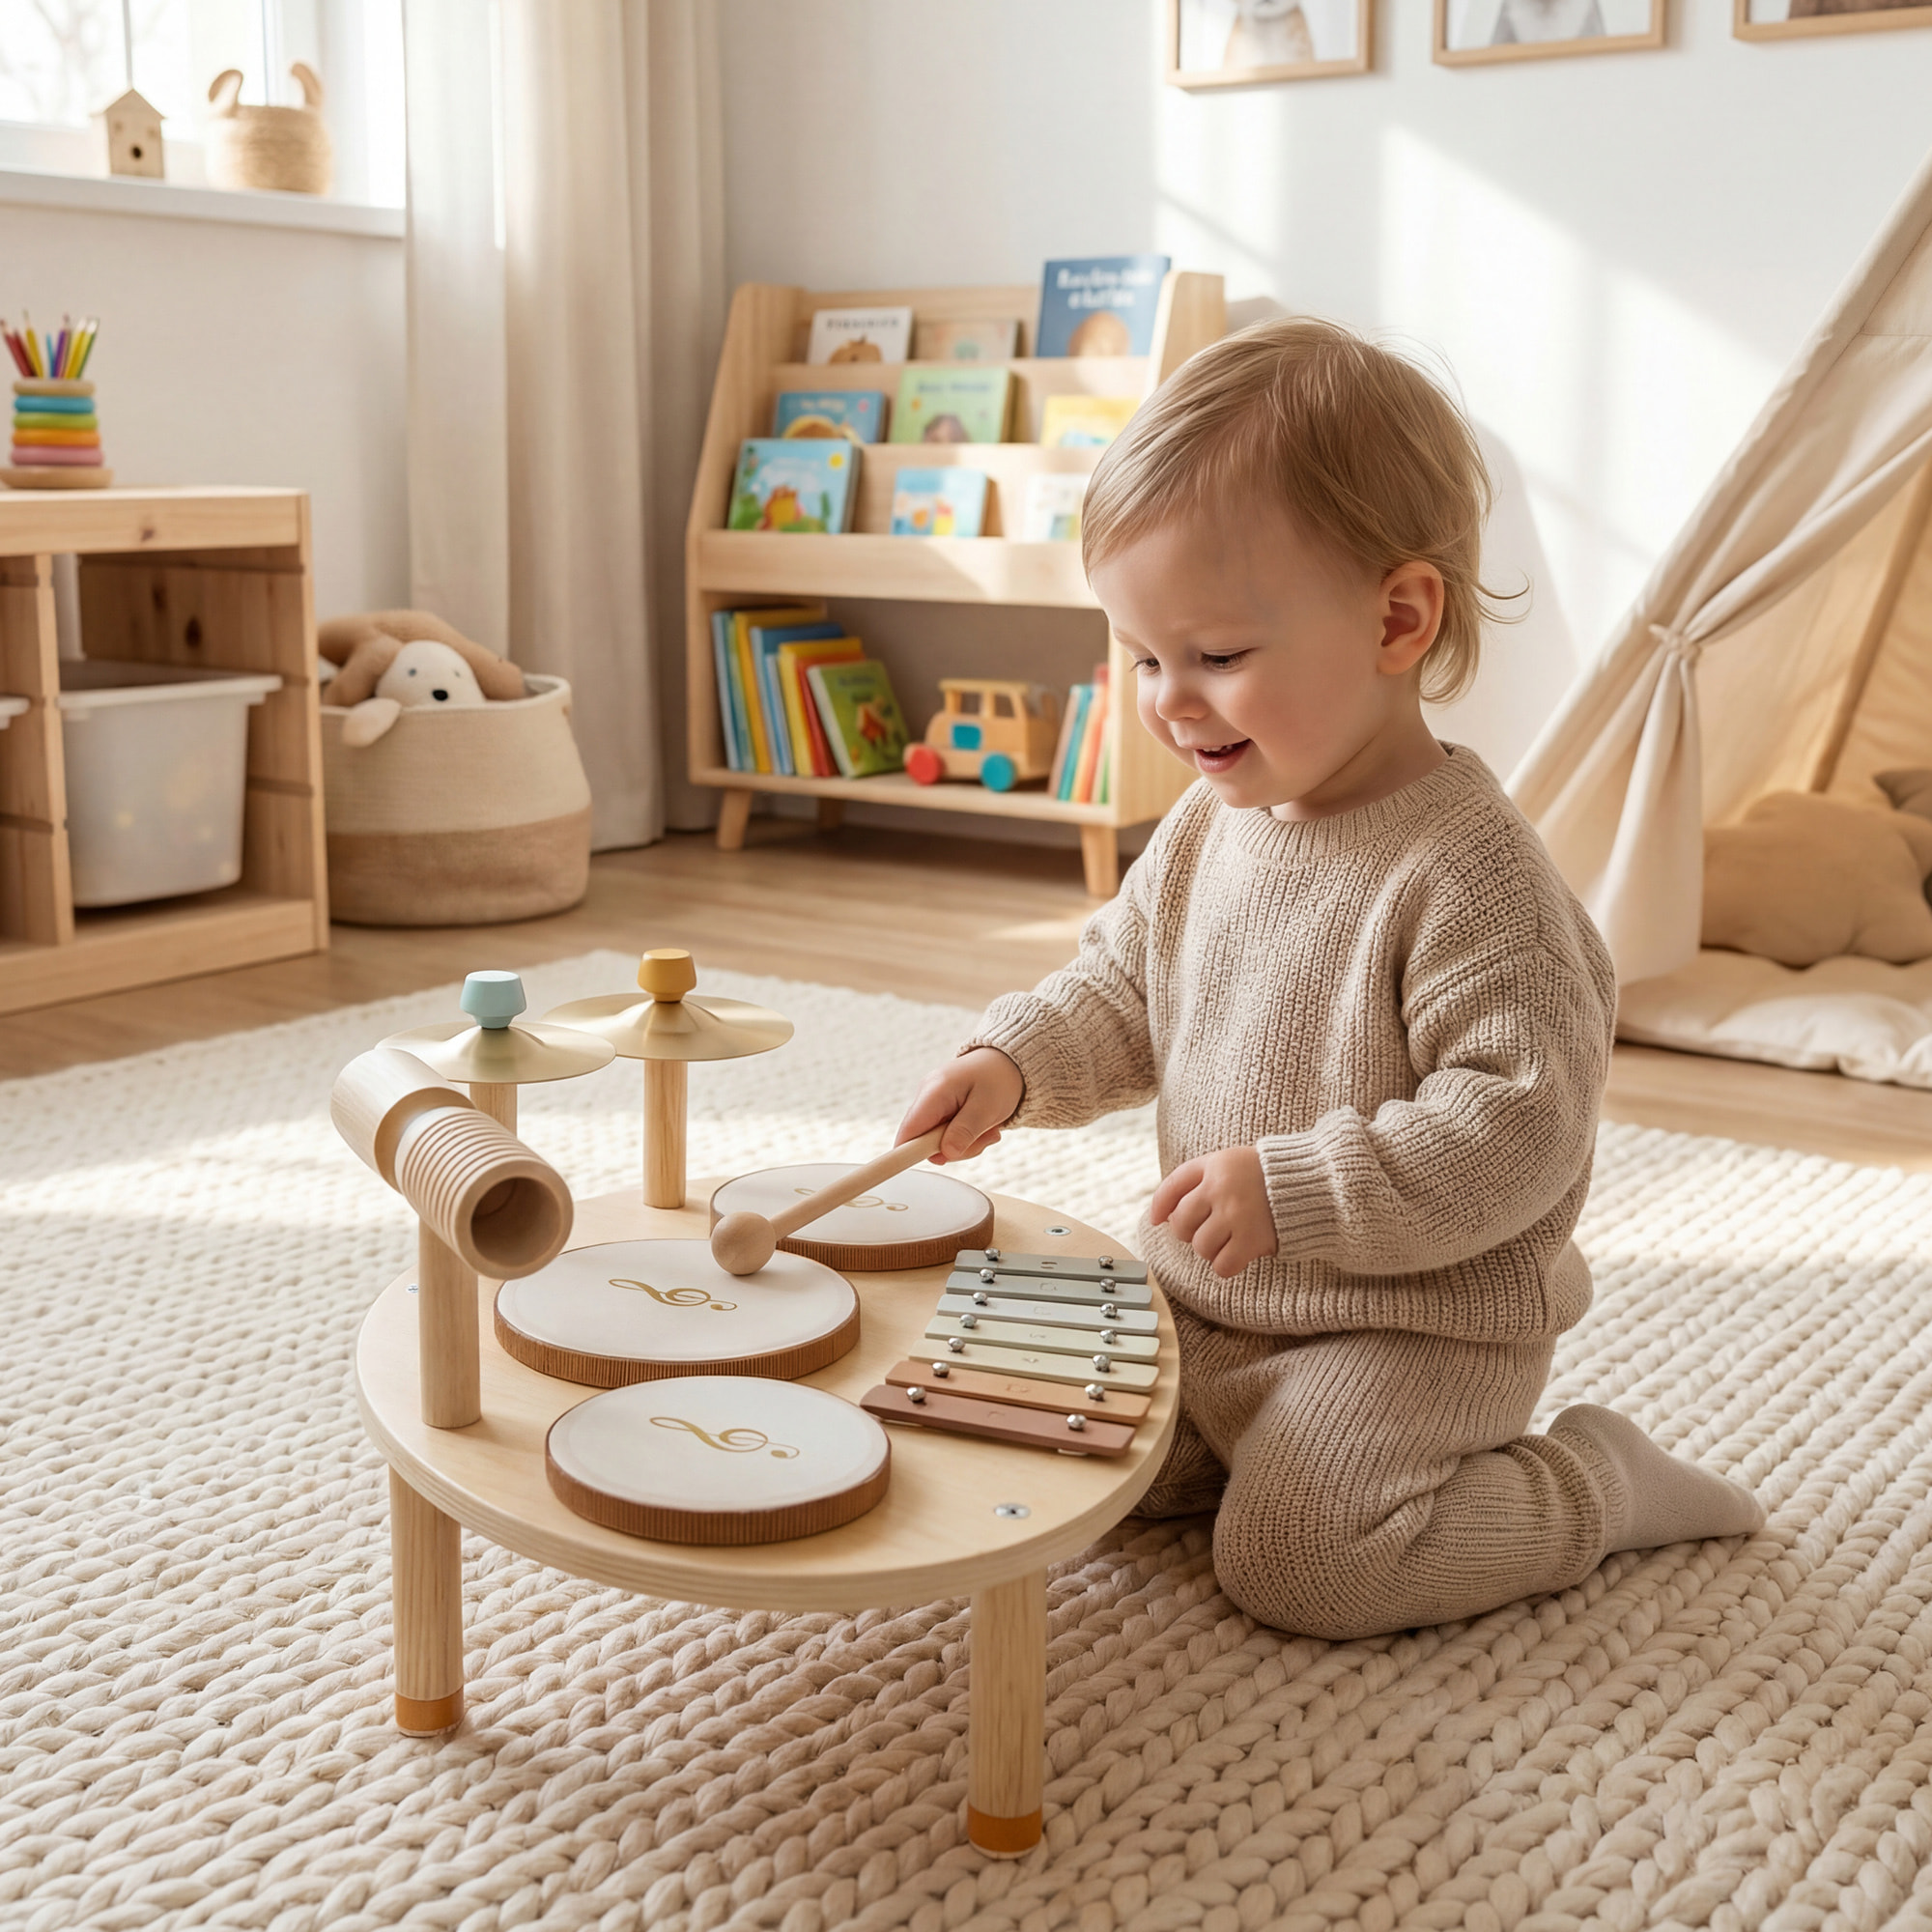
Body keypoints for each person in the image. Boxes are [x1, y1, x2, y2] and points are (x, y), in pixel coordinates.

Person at [896, 319, 1764, 1640]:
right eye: (1143, 657)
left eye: (1217, 657)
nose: (1169, 702)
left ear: (1397, 620)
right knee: (1047, 1446)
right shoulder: (1208, 826)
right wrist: (1013, 1062)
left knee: (1305, 1563)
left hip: (1410, 1335)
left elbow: (1518, 1130)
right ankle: (1232, 1446)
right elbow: (1123, 986)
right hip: (1208, 1299)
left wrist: (1297, 1190)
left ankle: (1593, 1481)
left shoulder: (1475, 879)